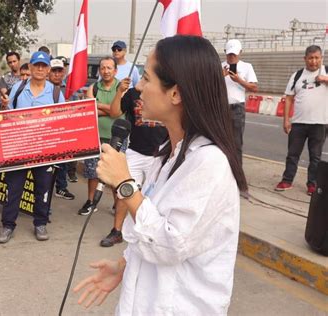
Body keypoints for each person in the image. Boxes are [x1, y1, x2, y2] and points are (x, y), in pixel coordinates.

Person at [73, 35, 247, 315]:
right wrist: (125, 265)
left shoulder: (209, 162)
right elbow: (151, 221)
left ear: (176, 94)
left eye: (146, 78)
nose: (139, 87)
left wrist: (125, 184)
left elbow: (170, 243)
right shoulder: (169, 152)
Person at [0, 51, 64, 244]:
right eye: (37, 65)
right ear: (31, 67)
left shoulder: (56, 93)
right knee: (13, 189)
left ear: (49, 69)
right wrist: (3, 106)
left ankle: (40, 223)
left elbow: (64, 121)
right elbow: (6, 117)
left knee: (43, 189)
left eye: (44, 66)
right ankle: (8, 225)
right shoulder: (18, 87)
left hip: (45, 152)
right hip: (20, 149)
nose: (40, 69)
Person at [99, 77, 167, 247]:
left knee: (156, 196)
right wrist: (120, 91)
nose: (144, 80)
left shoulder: (167, 91)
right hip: (135, 152)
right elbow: (115, 113)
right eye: (144, 76)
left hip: (159, 155)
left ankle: (151, 235)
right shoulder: (132, 93)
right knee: (125, 190)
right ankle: (117, 231)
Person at [275, 45, 328, 195]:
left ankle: (312, 184)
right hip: (298, 122)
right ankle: (287, 180)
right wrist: (286, 120)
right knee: (293, 154)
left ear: (321, 58)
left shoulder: (326, 72)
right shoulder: (297, 75)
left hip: (319, 123)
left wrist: (324, 79)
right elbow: (289, 98)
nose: (314, 61)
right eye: (310, 58)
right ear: (305, 59)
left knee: (315, 157)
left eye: (317, 58)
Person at [78, 57, 122, 216]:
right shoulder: (94, 87)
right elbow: (89, 109)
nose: (106, 71)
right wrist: (110, 109)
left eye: (109, 68)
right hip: (94, 136)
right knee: (92, 172)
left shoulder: (121, 88)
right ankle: (90, 202)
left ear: (115, 70)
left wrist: (101, 107)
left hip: (116, 139)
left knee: (116, 174)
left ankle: (117, 205)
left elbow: (118, 112)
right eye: (103, 68)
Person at [222, 39, 258, 165]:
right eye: (229, 54)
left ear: (240, 53)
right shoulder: (219, 67)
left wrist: (239, 80)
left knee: (236, 142)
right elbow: (209, 87)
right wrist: (221, 76)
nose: (231, 57)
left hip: (237, 107)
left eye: (234, 55)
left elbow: (254, 87)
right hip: (221, 107)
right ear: (225, 52)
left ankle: (237, 174)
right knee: (220, 142)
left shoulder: (247, 67)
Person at [48, 58, 75, 200]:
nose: (57, 74)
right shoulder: (43, 88)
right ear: (48, 72)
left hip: (64, 131)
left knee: (62, 162)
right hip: (47, 132)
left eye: (59, 71)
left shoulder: (70, 89)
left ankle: (61, 187)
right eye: (54, 71)